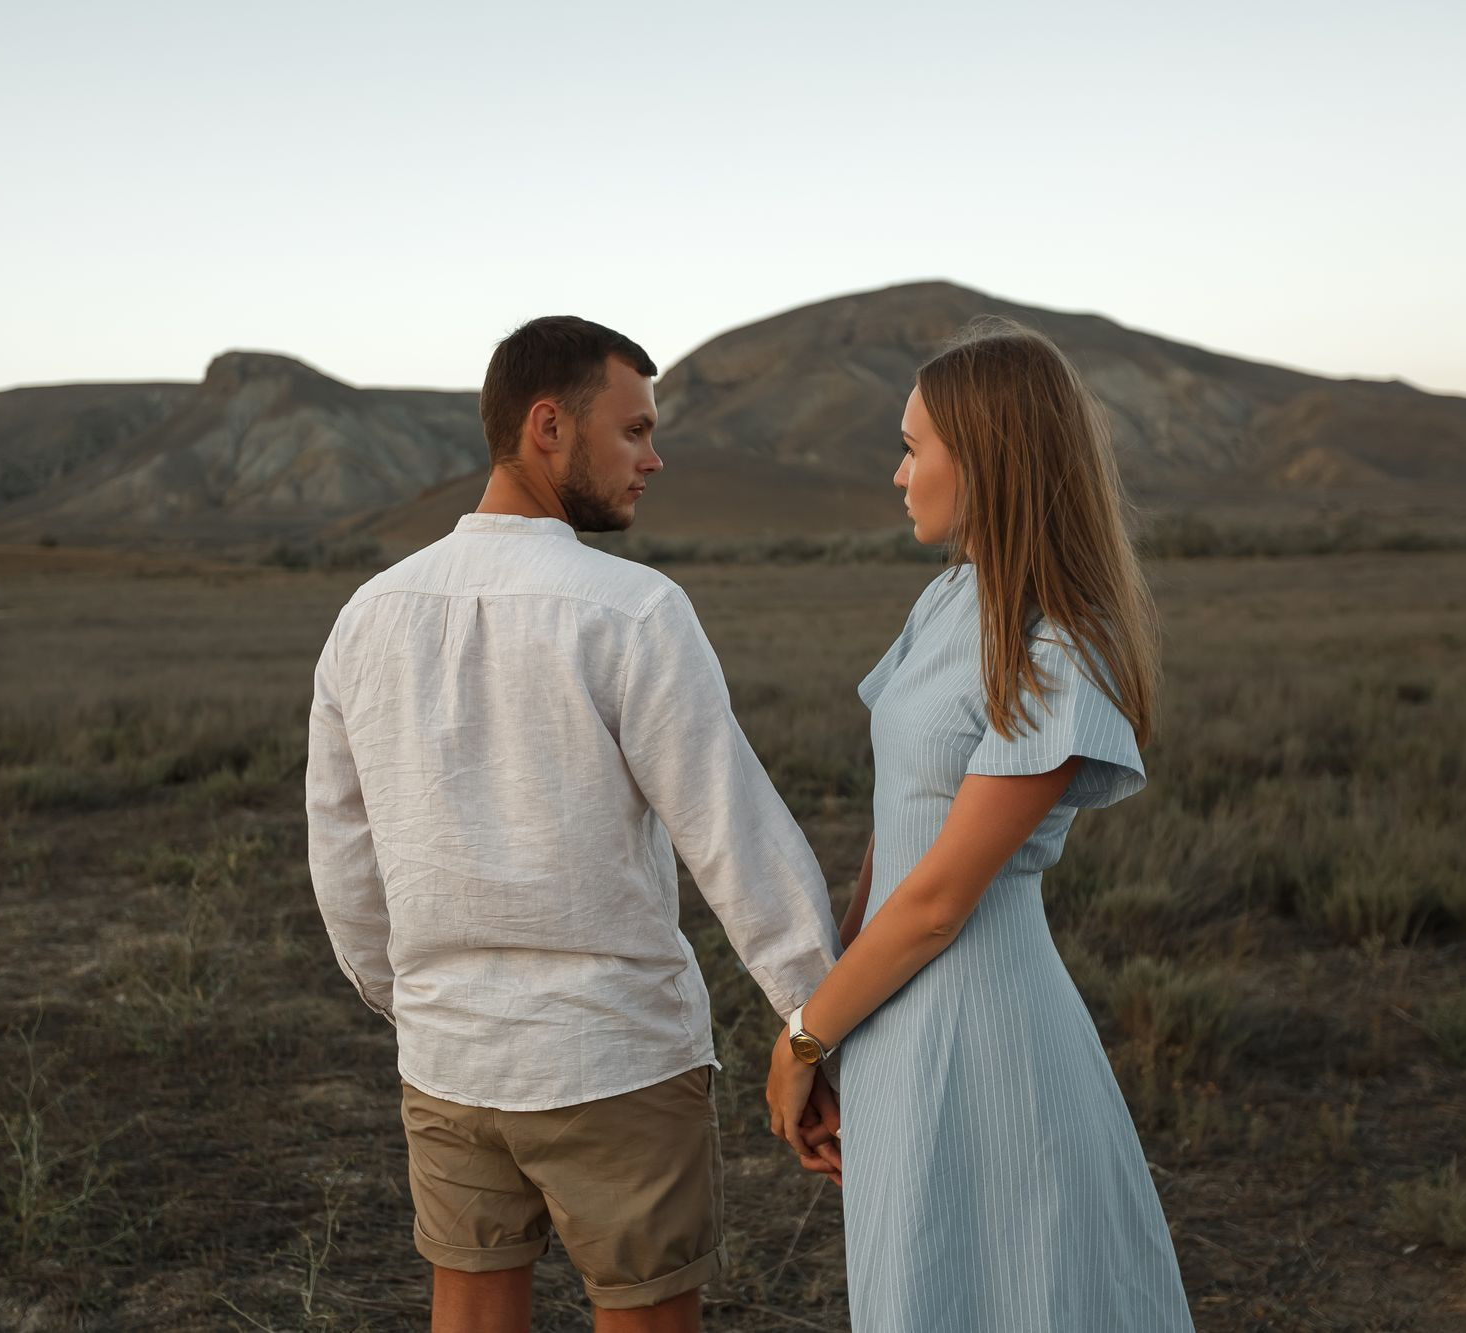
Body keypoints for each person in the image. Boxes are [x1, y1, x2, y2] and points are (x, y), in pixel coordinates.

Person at [306, 315, 840, 1332]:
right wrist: (816, 1019)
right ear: (548, 427)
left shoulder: (369, 614)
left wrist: (412, 1000)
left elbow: (341, 854)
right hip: (614, 1059)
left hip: (448, 1060)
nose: (655, 456)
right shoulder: (631, 610)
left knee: (467, 1310)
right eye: (633, 430)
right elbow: (734, 837)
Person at [765, 318, 1195, 1329]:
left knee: (1013, 1289)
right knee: (918, 1286)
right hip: (893, 1015)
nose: (897, 474)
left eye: (914, 448)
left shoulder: (1059, 637)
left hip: (987, 1027)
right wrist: (838, 1031)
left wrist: (800, 1036)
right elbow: (895, 833)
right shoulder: (948, 599)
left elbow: (942, 899)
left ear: (989, 460)